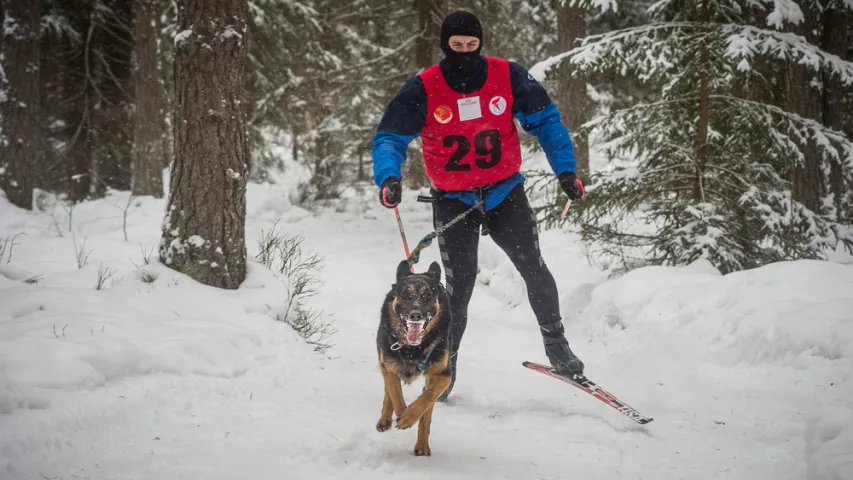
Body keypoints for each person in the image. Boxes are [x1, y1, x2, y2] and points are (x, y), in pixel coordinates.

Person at [372, 10, 585, 400]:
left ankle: (558, 348)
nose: (465, 52)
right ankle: (445, 369)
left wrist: (565, 171)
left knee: (533, 269)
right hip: (455, 201)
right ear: (445, 45)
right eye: (457, 46)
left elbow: (548, 122)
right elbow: (389, 137)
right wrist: (389, 176)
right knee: (459, 288)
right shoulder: (423, 87)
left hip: (505, 193)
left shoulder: (509, 76)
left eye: (472, 45)